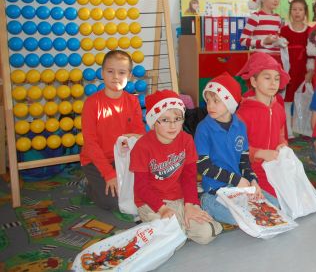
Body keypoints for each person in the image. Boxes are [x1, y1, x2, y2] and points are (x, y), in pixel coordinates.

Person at [129, 90, 221, 244]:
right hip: (152, 203)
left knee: (207, 234)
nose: (172, 126)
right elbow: (141, 187)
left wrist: (190, 205)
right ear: (153, 121)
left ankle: (175, 229)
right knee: (172, 240)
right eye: (165, 120)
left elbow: (189, 177)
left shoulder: (186, 140)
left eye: (177, 119)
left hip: (179, 199)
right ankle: (163, 228)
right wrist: (162, 208)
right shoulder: (142, 147)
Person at [196, 73, 278, 225]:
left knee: (275, 207)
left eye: (216, 101)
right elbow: (203, 166)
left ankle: (237, 206)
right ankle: (205, 201)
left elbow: (244, 161)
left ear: (230, 102)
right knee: (242, 217)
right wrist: (236, 179)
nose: (210, 106)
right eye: (208, 101)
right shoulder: (203, 128)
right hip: (215, 188)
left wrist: (253, 181)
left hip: (238, 187)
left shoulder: (240, 126)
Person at [80, 50, 145, 210]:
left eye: (121, 72)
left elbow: (139, 136)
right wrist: (109, 174)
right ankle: (88, 185)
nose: (115, 77)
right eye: (110, 71)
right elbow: (91, 144)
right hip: (95, 161)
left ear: (129, 75)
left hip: (122, 158)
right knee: (113, 202)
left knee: (140, 193)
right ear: (102, 73)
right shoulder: (92, 104)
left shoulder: (133, 101)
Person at [236, 52, 289, 201]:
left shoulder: (278, 108)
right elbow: (236, 148)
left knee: (296, 197)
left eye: (277, 78)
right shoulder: (243, 113)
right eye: (267, 78)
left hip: (275, 167)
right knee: (274, 203)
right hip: (252, 169)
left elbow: (281, 134)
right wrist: (260, 153)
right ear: (254, 81)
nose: (273, 83)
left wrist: (282, 144)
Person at [280, 0, 312, 137]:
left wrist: (311, 71)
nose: (297, 12)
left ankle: (303, 129)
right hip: (288, 72)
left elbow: (312, 54)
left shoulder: (310, 31)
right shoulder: (284, 30)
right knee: (287, 101)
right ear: (290, 12)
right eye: (294, 9)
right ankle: (288, 131)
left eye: (300, 9)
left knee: (303, 100)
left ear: (305, 12)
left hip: (304, 73)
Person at [239, 0, 287, 65]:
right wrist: (263, 42)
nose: (276, 0)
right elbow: (243, 41)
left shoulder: (278, 18)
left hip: (275, 59)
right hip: (261, 60)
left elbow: (276, 39)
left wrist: (281, 42)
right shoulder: (256, 17)